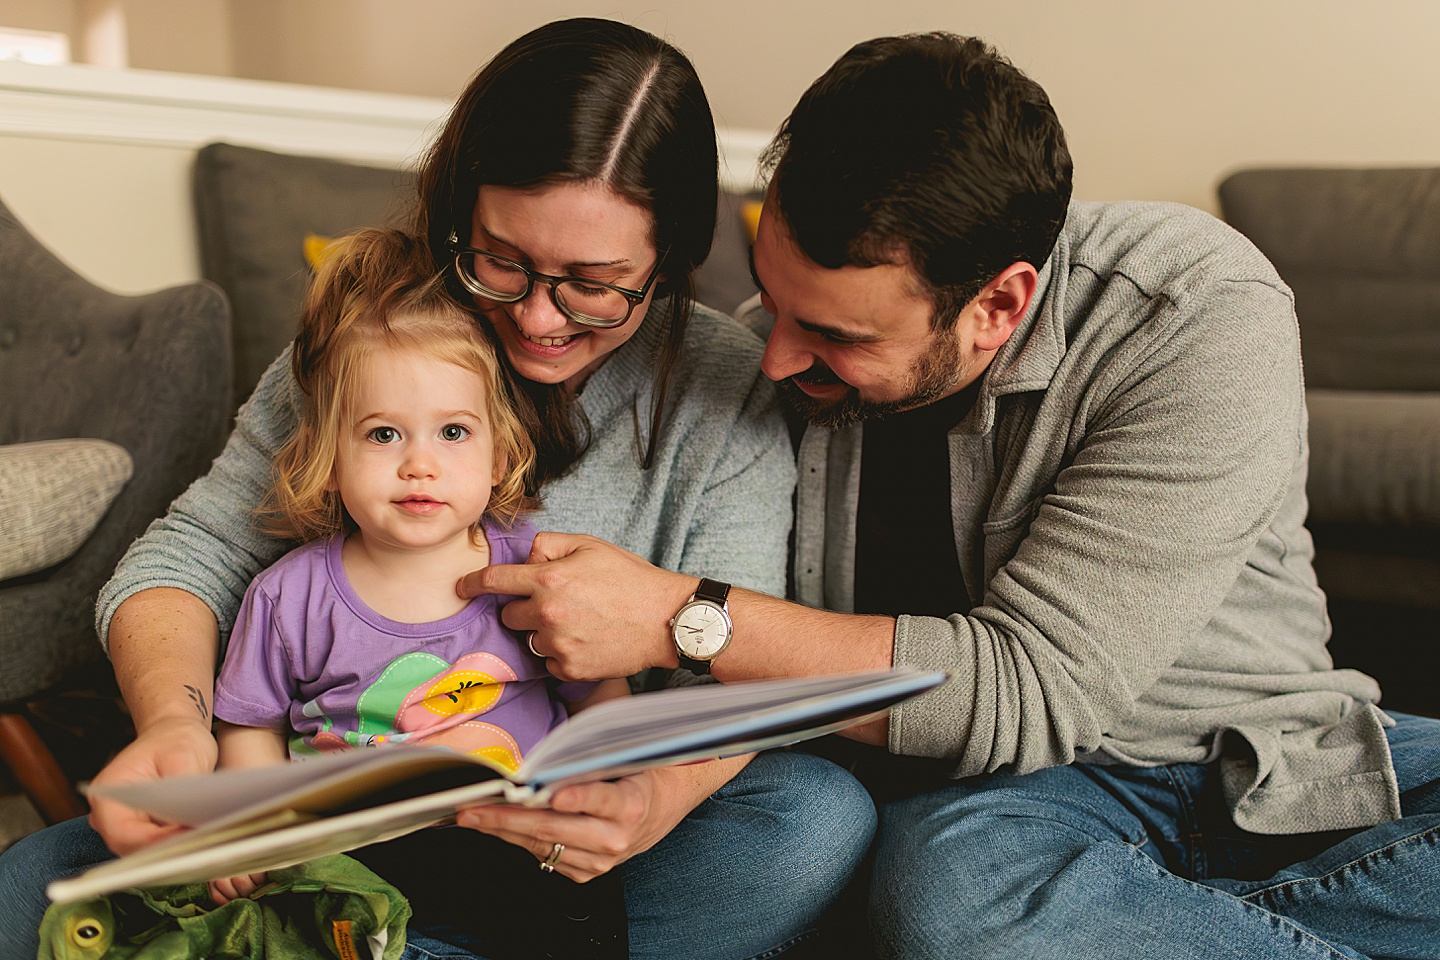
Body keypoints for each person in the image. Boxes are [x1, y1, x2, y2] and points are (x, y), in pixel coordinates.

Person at [455, 32, 1440, 960]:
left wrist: (685, 614)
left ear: (998, 305)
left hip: (1279, 764)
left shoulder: (1191, 309)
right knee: (956, 889)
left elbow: (1030, 690)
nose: (780, 355)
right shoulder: (765, 365)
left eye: (838, 337)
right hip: (1029, 814)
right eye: (773, 298)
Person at [0, 19, 875, 960]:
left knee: (812, 817)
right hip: (334, 819)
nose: (537, 319)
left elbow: (737, 660)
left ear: (668, 265)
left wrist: (658, 794)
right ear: (460, 208)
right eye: (501, 258)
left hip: (552, 845)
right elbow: (194, 553)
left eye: (595, 284)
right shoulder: (372, 339)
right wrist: (177, 728)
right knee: (25, 889)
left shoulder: (727, 389)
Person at [202, 226, 627, 919]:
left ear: (499, 455)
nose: (418, 464)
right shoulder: (289, 596)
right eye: (382, 434)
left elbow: (601, 700)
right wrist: (253, 832)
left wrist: (608, 789)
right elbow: (248, 729)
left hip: (516, 853)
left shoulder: (536, 572)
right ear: (328, 459)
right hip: (354, 858)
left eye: (453, 432)